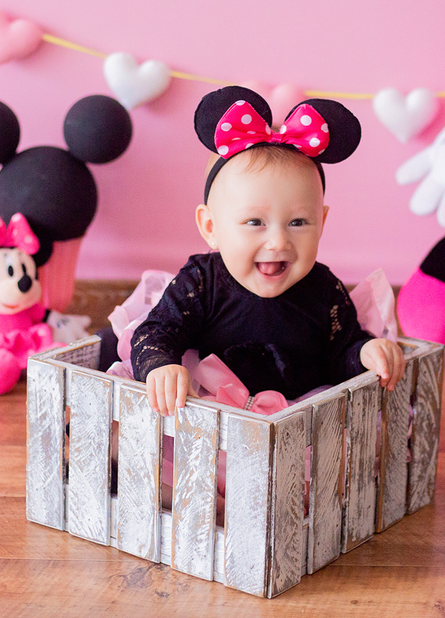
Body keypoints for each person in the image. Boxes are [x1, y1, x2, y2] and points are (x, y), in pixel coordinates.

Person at [131, 86, 406, 416]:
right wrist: (160, 365)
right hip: (213, 420)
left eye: (299, 221)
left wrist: (365, 352)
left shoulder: (323, 290)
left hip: (303, 427)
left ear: (322, 221)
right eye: (254, 221)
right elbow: (158, 332)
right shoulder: (202, 282)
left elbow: (342, 350)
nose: (278, 242)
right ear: (211, 228)